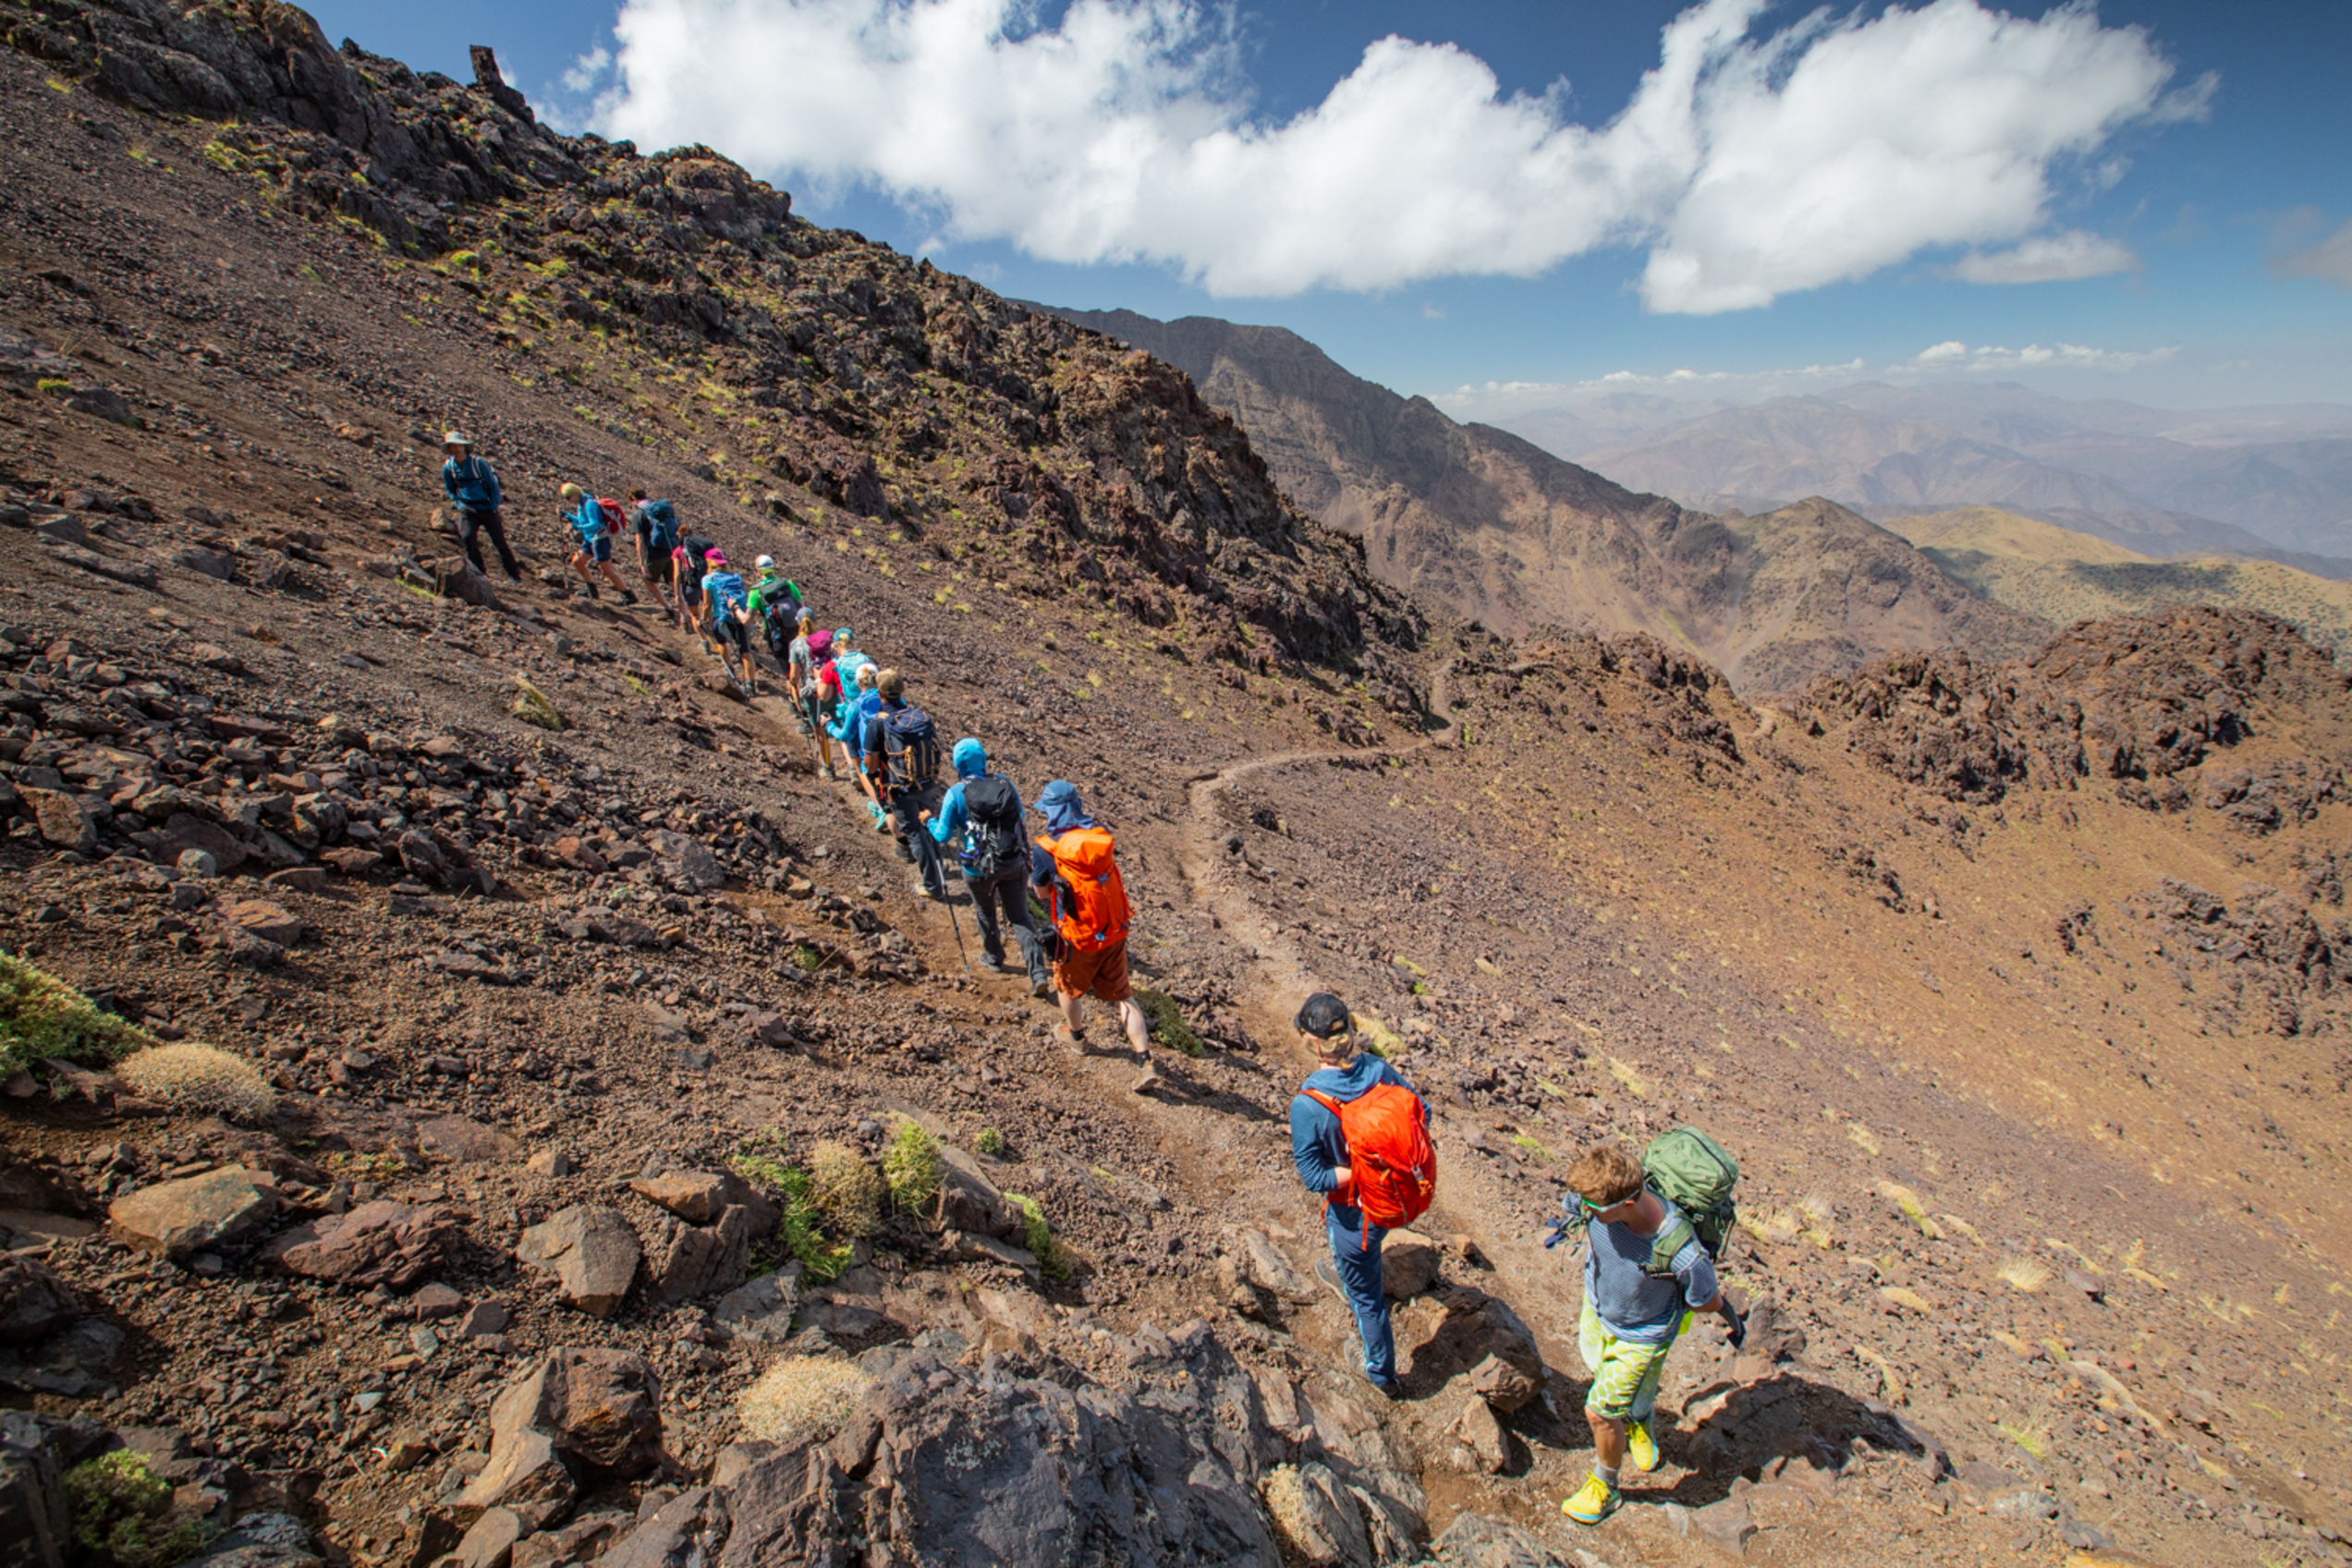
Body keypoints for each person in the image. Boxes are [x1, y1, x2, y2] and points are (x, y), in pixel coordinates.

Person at [1557, 1143, 1746, 1525]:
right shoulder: (1593, 1201)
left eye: (1593, 1207)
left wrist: (1726, 1312)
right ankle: (1639, 1420)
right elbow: (1574, 1207)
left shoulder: (1679, 1250)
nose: (1582, 1209)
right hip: (1598, 1309)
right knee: (1606, 1375)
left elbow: (1705, 1299)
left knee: (1600, 1409)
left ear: (1627, 1204)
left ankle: (1605, 1486)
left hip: (1643, 1335)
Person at [1289, 991, 1426, 1399]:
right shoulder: (1380, 1070)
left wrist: (1363, 1169)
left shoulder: (1308, 1104)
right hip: (1392, 1197)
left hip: (1354, 1215)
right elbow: (1422, 1114)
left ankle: (1380, 1372)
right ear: (1349, 1031)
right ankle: (1347, 1273)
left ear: (1313, 1043)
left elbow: (1314, 1176)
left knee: (1368, 1299)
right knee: (1363, 1258)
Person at [1030, 780, 1155, 1091]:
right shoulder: (1099, 836)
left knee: (1068, 987)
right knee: (1124, 997)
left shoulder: (1045, 847)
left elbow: (1042, 894)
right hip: (1112, 930)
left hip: (1077, 937)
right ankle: (1145, 1060)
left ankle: (1076, 1038)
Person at [922, 738, 1052, 996]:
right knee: (1020, 917)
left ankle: (994, 957)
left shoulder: (955, 793)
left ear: (958, 765)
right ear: (983, 761)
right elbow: (1021, 817)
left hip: (976, 867)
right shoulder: (1004, 783)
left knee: (985, 912)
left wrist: (928, 821)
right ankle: (1037, 973)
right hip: (1012, 861)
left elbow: (942, 836)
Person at [862, 669, 950, 899]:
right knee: (929, 826)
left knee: (913, 832)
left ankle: (932, 885)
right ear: (902, 690)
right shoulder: (918, 718)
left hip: (899, 787)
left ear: (879, 693)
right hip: (927, 782)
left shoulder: (878, 724)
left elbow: (870, 766)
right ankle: (938, 871)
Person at [440, 432, 519, 581]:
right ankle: (479, 573)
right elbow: (450, 488)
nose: (457, 449)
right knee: (468, 538)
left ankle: (514, 575)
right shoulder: (449, 467)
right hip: (468, 509)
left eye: (459, 445)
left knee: (499, 542)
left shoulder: (478, 464)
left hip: (488, 508)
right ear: (450, 449)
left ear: (464, 447)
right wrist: (459, 504)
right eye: (453, 446)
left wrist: (493, 505)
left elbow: (493, 485)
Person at [556, 484, 638, 603]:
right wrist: (568, 517)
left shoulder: (589, 504)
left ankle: (628, 595)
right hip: (590, 540)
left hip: (600, 540)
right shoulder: (582, 504)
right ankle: (591, 590)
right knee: (578, 562)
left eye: (568, 497)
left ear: (574, 495)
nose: (567, 500)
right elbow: (583, 520)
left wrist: (578, 527)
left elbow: (595, 524)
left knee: (607, 570)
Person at [826, 662, 884, 826]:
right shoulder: (888, 698)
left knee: (862, 770)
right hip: (889, 747)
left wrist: (829, 725)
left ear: (859, 683)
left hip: (868, 749)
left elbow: (845, 735)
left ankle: (880, 807)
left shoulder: (855, 705)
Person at [700, 549, 758, 693]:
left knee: (722, 643)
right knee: (745, 649)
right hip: (738, 615)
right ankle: (751, 684)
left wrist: (704, 619)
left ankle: (730, 672)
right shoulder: (736, 576)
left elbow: (707, 604)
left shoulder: (708, 579)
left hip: (721, 617)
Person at [747, 555, 802, 670]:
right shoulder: (788, 584)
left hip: (776, 634)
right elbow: (802, 607)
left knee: (789, 672)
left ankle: (793, 686)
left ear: (758, 570)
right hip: (797, 630)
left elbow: (747, 620)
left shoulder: (756, 591)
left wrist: (734, 607)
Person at [798, 623, 837, 777]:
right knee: (842, 732)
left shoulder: (801, 648)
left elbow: (794, 675)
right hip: (834, 695)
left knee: (820, 734)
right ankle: (852, 767)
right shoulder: (834, 658)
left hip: (814, 696)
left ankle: (827, 766)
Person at [630, 491, 680, 591]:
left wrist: (642, 564)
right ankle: (687, 605)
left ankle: (667, 605)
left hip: (655, 552)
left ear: (633, 499)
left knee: (648, 579)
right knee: (673, 582)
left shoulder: (639, 514)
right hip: (672, 548)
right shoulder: (660, 511)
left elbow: (639, 540)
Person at [672, 530, 720, 635]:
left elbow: (677, 574)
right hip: (706, 583)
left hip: (692, 586)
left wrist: (677, 593)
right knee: (708, 608)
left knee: (695, 614)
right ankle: (714, 632)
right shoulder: (701, 551)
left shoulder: (678, 551)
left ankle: (704, 641)